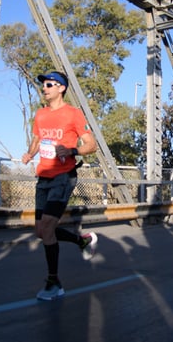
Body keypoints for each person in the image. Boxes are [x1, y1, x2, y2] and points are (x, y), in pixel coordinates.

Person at [22, 70, 100, 301]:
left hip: (64, 177)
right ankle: (81, 240)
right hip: (43, 177)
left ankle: (53, 282)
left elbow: (91, 144)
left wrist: (72, 150)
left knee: (47, 227)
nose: (44, 89)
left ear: (61, 88)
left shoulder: (73, 114)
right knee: (40, 231)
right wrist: (29, 153)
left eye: (48, 84)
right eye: (43, 85)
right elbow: (37, 139)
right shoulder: (41, 114)